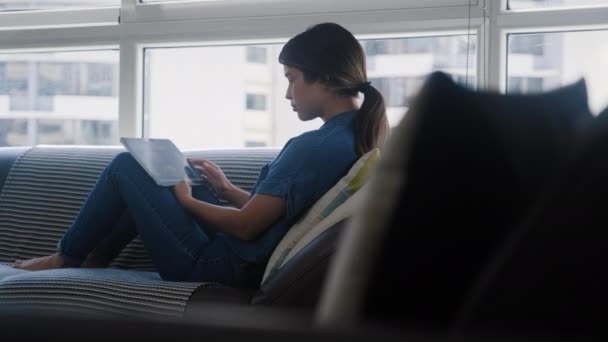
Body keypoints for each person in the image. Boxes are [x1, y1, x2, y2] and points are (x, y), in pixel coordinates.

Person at [14, 22, 389, 289]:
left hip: (218, 268)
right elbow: (281, 216)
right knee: (152, 170)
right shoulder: (353, 138)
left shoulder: (314, 147)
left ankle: (67, 256)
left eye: (291, 78)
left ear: (322, 79)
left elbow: (246, 226)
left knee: (129, 165)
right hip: (241, 257)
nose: (288, 94)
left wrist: (186, 201)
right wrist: (225, 190)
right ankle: (94, 257)